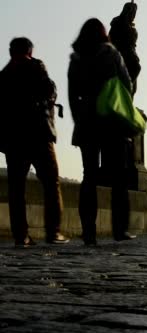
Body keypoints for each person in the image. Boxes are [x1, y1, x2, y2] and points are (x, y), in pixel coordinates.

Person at [68, 18, 136, 245]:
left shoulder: (76, 59)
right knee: (118, 178)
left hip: (87, 121)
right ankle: (119, 230)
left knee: (89, 176)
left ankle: (89, 232)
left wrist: (79, 118)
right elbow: (128, 85)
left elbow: (72, 95)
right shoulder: (111, 54)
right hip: (111, 121)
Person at [0, 37, 69, 247]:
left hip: (13, 138)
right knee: (51, 183)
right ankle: (53, 231)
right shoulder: (36, 66)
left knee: (16, 188)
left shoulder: (3, 75)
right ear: (30, 50)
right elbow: (50, 90)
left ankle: (21, 236)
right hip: (39, 133)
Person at [109, 2, 141, 95]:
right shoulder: (118, 22)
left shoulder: (132, 28)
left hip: (131, 54)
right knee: (135, 68)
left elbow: (133, 43)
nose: (134, 15)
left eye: (135, 13)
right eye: (132, 12)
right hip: (122, 54)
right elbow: (111, 39)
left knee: (133, 88)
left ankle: (127, 102)